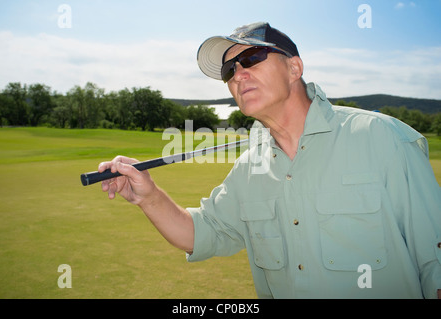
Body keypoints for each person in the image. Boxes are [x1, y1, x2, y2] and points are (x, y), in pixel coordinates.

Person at [98, 22, 441, 299]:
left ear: (294, 67)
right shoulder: (249, 168)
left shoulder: (383, 138)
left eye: (250, 59)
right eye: (229, 70)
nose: (237, 75)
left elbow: (435, 259)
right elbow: (201, 233)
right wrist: (149, 196)